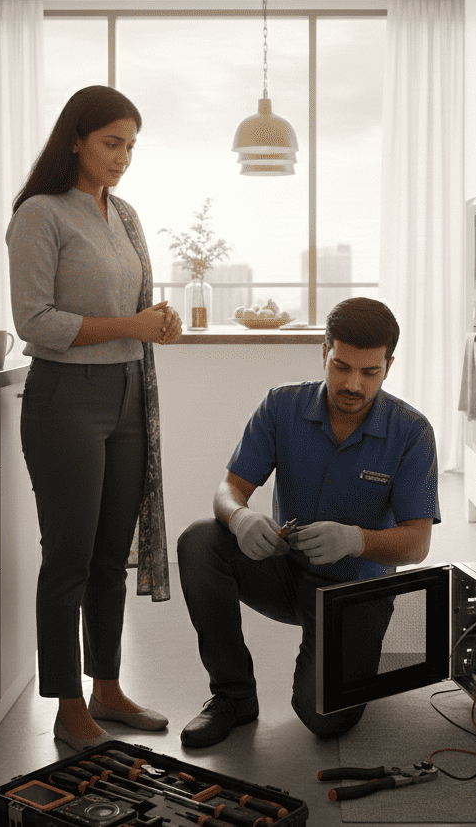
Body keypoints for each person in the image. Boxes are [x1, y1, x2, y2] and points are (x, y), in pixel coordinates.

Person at [176, 297, 440, 747]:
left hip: (356, 594)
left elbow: (417, 545)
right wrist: (240, 519)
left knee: (325, 720)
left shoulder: (412, 431)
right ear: (324, 353)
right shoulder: (281, 406)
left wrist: (355, 541)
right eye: (341, 367)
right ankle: (233, 696)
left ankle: (349, 658)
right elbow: (229, 490)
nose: (353, 384)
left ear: (388, 366)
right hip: (287, 574)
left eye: (369, 372)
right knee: (200, 541)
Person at [6, 85, 181, 753]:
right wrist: (128, 325)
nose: (123, 157)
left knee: (112, 555)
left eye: (132, 145)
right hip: (65, 401)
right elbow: (36, 322)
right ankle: (66, 702)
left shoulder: (126, 214)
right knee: (70, 558)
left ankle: (107, 687)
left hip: (128, 396)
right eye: (112, 142)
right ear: (75, 138)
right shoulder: (40, 215)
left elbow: (131, 310)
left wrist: (156, 325)